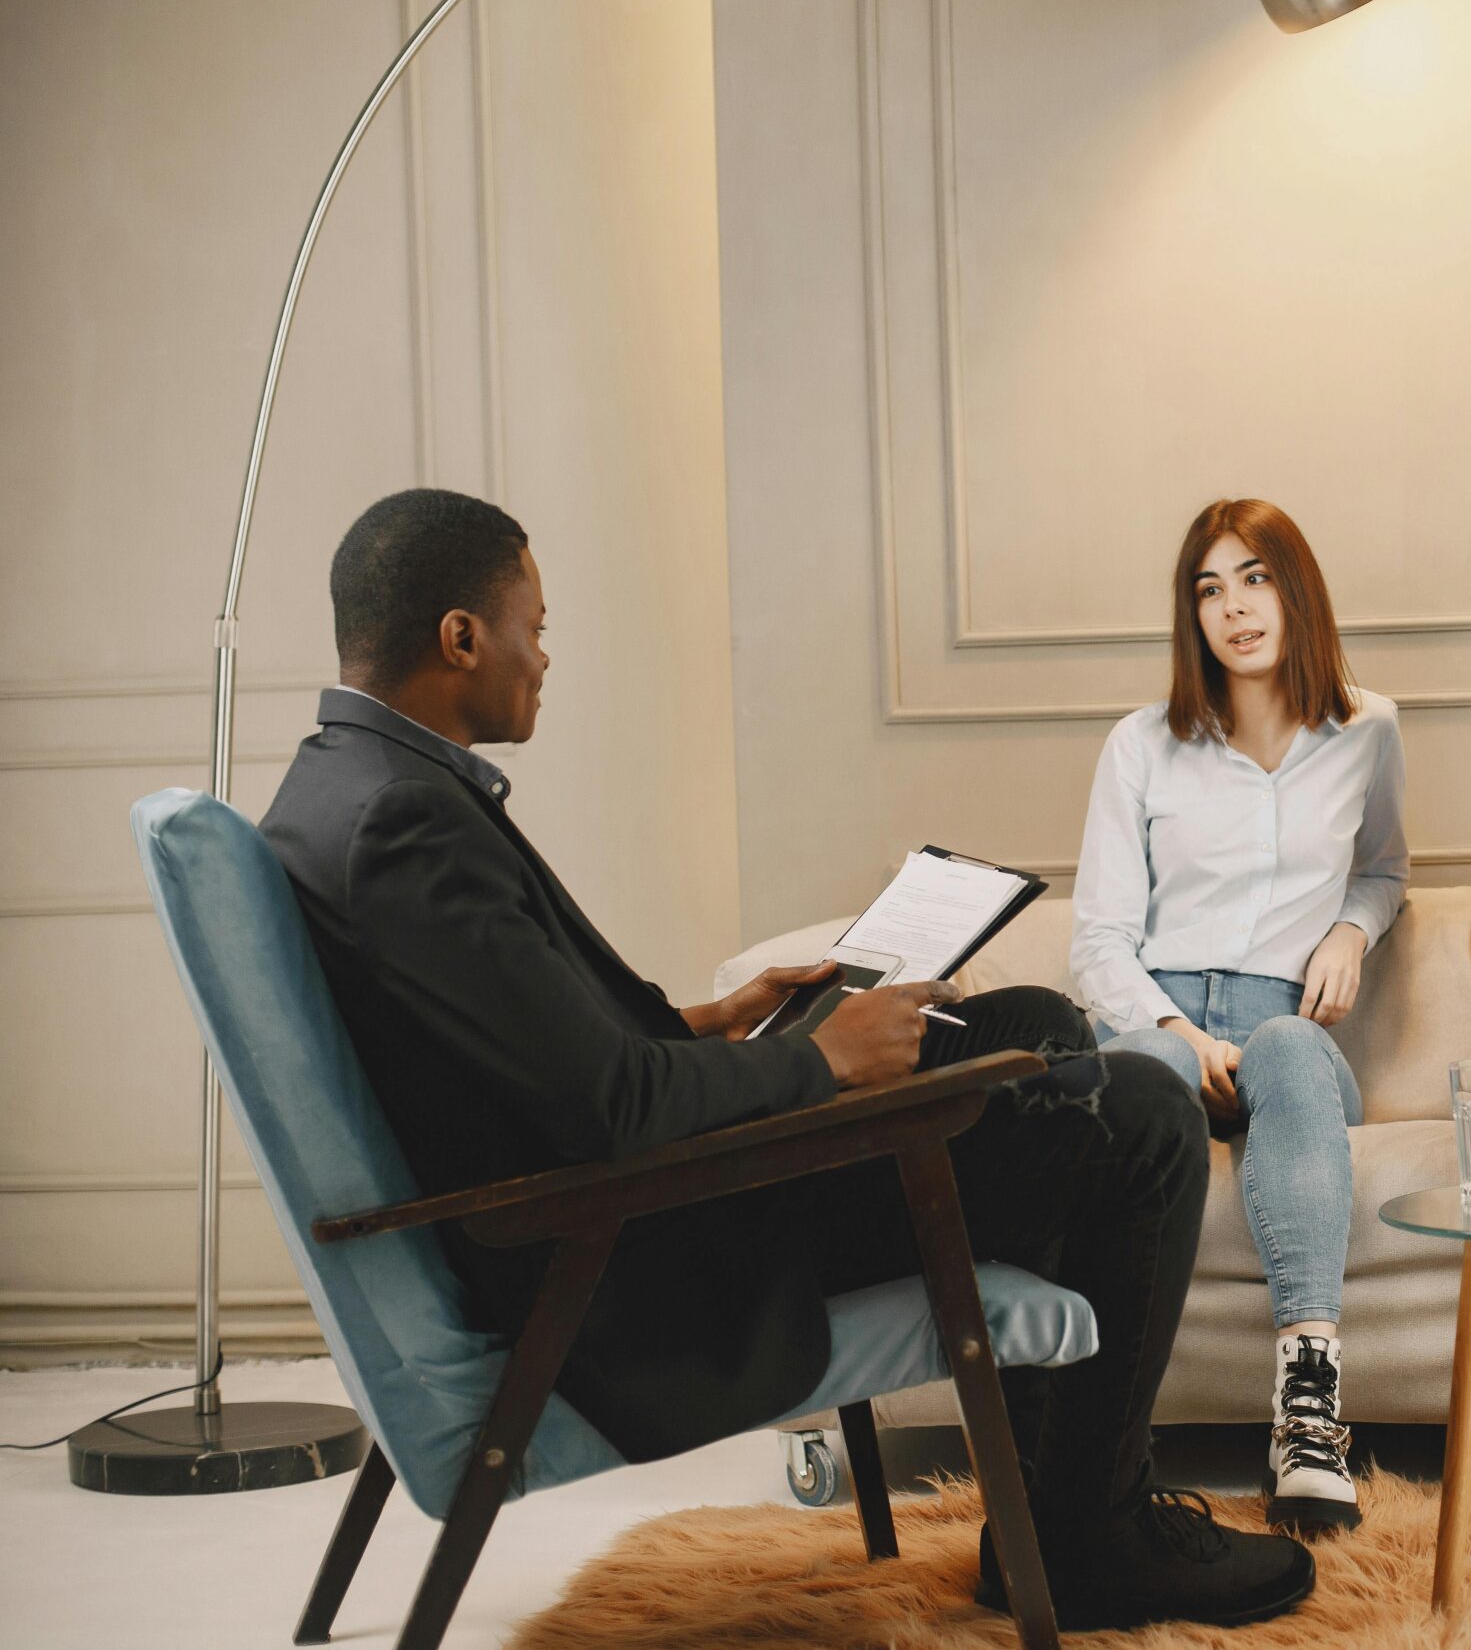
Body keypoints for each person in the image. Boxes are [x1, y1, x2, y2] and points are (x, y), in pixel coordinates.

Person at [259, 488, 1314, 1632]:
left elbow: (522, 1050)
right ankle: (1092, 1536)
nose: (544, 655)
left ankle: (1042, 1524)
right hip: (645, 1259)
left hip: (624, 1207)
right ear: (462, 637)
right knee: (1147, 1112)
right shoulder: (405, 825)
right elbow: (609, 1109)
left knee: (1031, 1025)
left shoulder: (347, 787)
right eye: (536, 627)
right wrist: (828, 1064)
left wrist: (719, 1019)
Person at [1070, 498, 1408, 1533]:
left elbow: (1384, 870)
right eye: (1209, 588)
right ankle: (1096, 1431)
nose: (1235, 607)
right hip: (1156, 1018)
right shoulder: (1141, 744)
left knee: (1290, 1047)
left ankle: (1308, 1415)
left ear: (1296, 589)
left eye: (1256, 578)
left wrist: (1349, 932)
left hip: (1282, 1025)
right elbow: (1097, 941)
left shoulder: (1368, 727)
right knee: (1147, 1080)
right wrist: (1175, 1032)